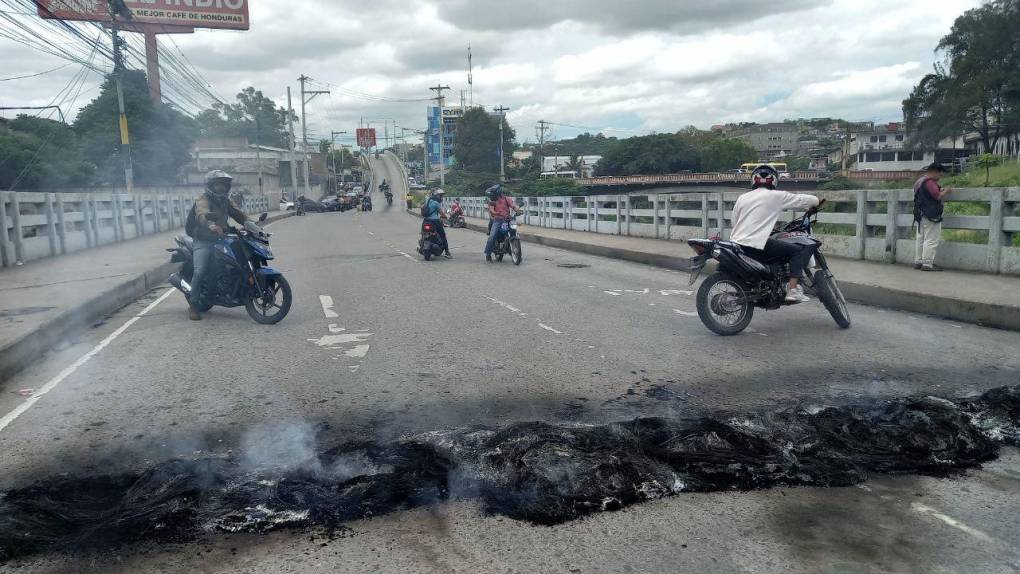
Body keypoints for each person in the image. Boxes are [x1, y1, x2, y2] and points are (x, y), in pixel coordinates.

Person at [729, 165, 820, 303]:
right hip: (756, 244)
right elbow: (810, 200)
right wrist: (818, 201)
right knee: (798, 251)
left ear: (754, 180)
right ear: (774, 180)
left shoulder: (742, 198)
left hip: (737, 243)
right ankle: (793, 290)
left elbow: (734, 222)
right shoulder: (777, 196)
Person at [185, 170, 248, 321]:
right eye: (218, 185)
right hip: (203, 240)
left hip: (221, 239)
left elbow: (239, 214)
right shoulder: (203, 199)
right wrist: (210, 225)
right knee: (200, 271)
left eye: (224, 185)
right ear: (211, 186)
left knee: (234, 263)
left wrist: (251, 224)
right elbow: (202, 213)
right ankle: (193, 305)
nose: (221, 188)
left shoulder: (225, 201)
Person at [913, 162, 951, 271]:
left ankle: (918, 262)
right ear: (934, 172)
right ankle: (927, 264)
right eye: (940, 174)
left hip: (920, 214)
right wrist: (946, 191)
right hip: (931, 214)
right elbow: (937, 196)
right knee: (931, 239)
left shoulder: (919, 181)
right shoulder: (930, 182)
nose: (940, 177)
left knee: (920, 239)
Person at [483, 184, 523, 262]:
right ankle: (488, 254)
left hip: (508, 220)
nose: (493, 196)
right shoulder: (493, 201)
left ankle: (517, 253)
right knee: (492, 236)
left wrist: (518, 211)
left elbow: (513, 206)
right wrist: (495, 212)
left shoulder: (507, 199)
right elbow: (491, 209)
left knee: (514, 232)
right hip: (498, 220)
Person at [424, 188, 451, 258]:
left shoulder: (427, 201)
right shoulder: (436, 203)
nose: (440, 197)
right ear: (436, 196)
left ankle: (422, 244)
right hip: (435, 221)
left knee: (423, 233)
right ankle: (447, 251)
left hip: (426, 220)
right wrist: (446, 217)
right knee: (443, 235)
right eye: (439, 196)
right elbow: (441, 213)